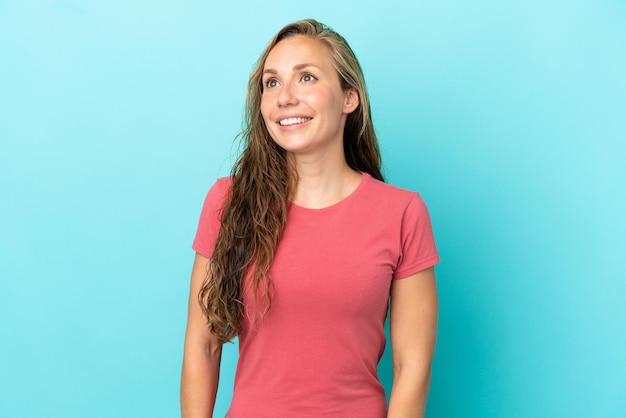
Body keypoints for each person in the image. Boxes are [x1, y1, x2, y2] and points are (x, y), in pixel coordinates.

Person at [181, 19, 439, 418]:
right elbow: (203, 344)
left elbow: (412, 369)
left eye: (306, 78)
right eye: (271, 82)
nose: (284, 97)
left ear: (349, 97)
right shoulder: (228, 201)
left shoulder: (402, 213)